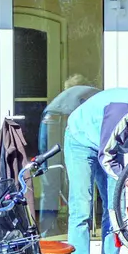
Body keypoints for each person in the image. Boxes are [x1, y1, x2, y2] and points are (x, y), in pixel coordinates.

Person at [61, 81, 128, 254]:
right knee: (82, 208)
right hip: (80, 140)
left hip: (111, 145)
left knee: (115, 209)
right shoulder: (121, 110)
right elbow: (107, 157)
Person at [37, 73, 99, 234]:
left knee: (49, 187)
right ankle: (85, 227)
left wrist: (44, 158)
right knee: (80, 188)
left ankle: (46, 228)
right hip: (79, 151)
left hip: (53, 150)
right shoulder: (87, 107)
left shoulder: (52, 108)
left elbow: (43, 141)